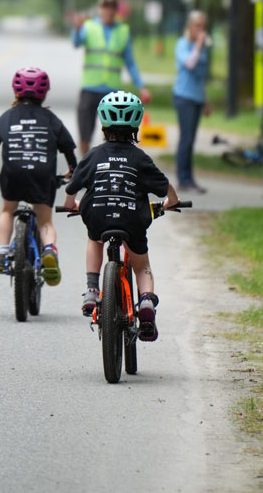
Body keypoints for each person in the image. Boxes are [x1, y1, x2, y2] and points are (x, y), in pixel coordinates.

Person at [63, 91, 179, 341]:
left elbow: (72, 187)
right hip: (132, 218)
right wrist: (172, 201)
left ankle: (93, 289)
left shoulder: (93, 155)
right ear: (136, 124)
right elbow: (164, 185)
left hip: (97, 214)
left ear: (103, 124)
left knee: (94, 239)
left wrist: (70, 204)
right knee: (142, 264)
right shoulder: (140, 157)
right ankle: (146, 301)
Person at [0, 66, 78, 284]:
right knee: (45, 222)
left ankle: (2, 252)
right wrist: (72, 171)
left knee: (7, 210)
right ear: (44, 93)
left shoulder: (8, 117)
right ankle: (50, 250)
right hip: (43, 175)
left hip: (12, 173)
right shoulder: (51, 119)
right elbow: (68, 149)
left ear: (15, 91)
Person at [71, 0, 151, 155]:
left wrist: (141, 87)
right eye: (105, 7)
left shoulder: (123, 31)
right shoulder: (89, 26)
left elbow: (130, 62)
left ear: (116, 10)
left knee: (115, 134)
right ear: (100, 9)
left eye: (111, 8)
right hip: (90, 87)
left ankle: (110, 166)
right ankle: (85, 165)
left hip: (112, 91)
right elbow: (77, 42)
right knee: (84, 132)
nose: (108, 11)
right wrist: (77, 29)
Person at [172, 10, 212, 193]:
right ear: (190, 26)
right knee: (186, 139)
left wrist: (206, 100)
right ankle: (183, 179)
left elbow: (201, 76)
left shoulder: (202, 47)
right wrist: (197, 46)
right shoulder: (183, 44)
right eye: (197, 25)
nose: (201, 29)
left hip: (197, 97)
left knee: (191, 139)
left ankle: (190, 178)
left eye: (203, 26)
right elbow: (189, 64)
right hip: (184, 96)